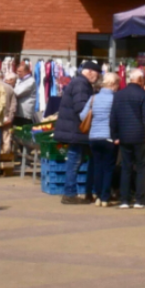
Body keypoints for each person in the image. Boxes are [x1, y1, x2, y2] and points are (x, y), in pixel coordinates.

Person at [55, 62, 99, 205]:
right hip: (76, 130)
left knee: (76, 161)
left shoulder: (79, 83)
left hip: (74, 130)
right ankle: (69, 193)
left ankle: (82, 192)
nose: (97, 79)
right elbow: (81, 108)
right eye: (97, 75)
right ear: (91, 72)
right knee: (74, 161)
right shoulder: (81, 84)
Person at [111, 66, 145, 209]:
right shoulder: (144, 95)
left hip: (124, 137)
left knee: (126, 167)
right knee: (142, 167)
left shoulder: (118, 95)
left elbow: (113, 117)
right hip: (140, 137)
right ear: (141, 80)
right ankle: (140, 199)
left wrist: (115, 135)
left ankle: (124, 199)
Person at [86, 72, 121, 205]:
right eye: (118, 84)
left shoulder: (93, 98)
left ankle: (98, 196)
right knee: (108, 168)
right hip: (109, 137)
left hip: (94, 137)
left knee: (97, 167)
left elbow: (84, 116)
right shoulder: (116, 99)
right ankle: (105, 197)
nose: (118, 87)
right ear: (113, 84)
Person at [12, 61, 38, 126]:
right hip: (18, 112)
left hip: (25, 114)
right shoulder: (19, 80)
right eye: (17, 71)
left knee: (24, 131)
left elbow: (17, 93)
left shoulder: (30, 81)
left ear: (26, 71)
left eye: (20, 71)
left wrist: (9, 88)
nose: (18, 73)